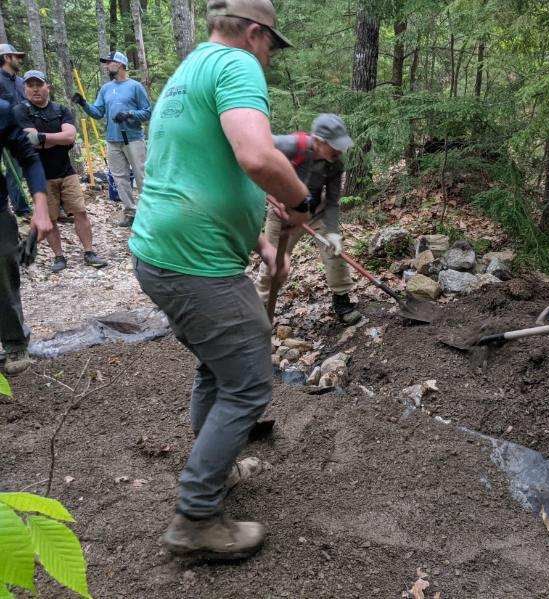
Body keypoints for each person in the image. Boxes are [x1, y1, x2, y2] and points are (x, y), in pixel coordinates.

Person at [128, 0, 308, 560]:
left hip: (168, 249)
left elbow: (201, 166)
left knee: (218, 367)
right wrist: (302, 199)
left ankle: (217, 470)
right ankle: (196, 518)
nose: (269, 60)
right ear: (254, 33)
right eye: (271, 47)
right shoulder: (237, 66)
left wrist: (256, 240)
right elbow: (255, 156)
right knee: (249, 384)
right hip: (193, 262)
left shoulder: (188, 70)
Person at [255, 113, 360, 323]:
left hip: (314, 210)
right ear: (319, 140)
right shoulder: (290, 145)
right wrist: (269, 194)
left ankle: (341, 299)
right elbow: (255, 157)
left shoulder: (335, 163)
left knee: (334, 250)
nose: (339, 150)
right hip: (282, 212)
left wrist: (333, 233)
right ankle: (257, 306)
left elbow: (331, 202)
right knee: (273, 260)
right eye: (334, 145)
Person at [14, 70, 107, 273]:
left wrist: (43, 138)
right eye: (30, 85)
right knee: (51, 218)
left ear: (48, 87)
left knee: (80, 212)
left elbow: (70, 137)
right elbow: (31, 141)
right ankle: (59, 256)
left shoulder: (61, 109)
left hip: (67, 171)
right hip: (40, 176)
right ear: (25, 89)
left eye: (39, 84)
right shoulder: (21, 111)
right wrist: (56, 138)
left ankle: (89, 252)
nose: (35, 89)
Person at [0, 98, 52, 375]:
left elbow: (29, 159)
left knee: (4, 269)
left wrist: (40, 208)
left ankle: (14, 342)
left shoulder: (2, 111)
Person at [71, 51, 151, 228]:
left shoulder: (135, 86)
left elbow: (147, 112)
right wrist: (83, 103)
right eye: (106, 63)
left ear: (121, 64)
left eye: (110, 62)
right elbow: (98, 113)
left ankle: (149, 213)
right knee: (120, 178)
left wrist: (129, 114)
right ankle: (130, 212)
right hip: (113, 140)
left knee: (141, 176)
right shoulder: (106, 88)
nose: (107, 66)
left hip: (133, 139)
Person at [0, 43, 31, 218]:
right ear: (6, 58)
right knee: (14, 172)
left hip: (26, 132)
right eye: (16, 56)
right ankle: (22, 210)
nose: (20, 60)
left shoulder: (21, 82)